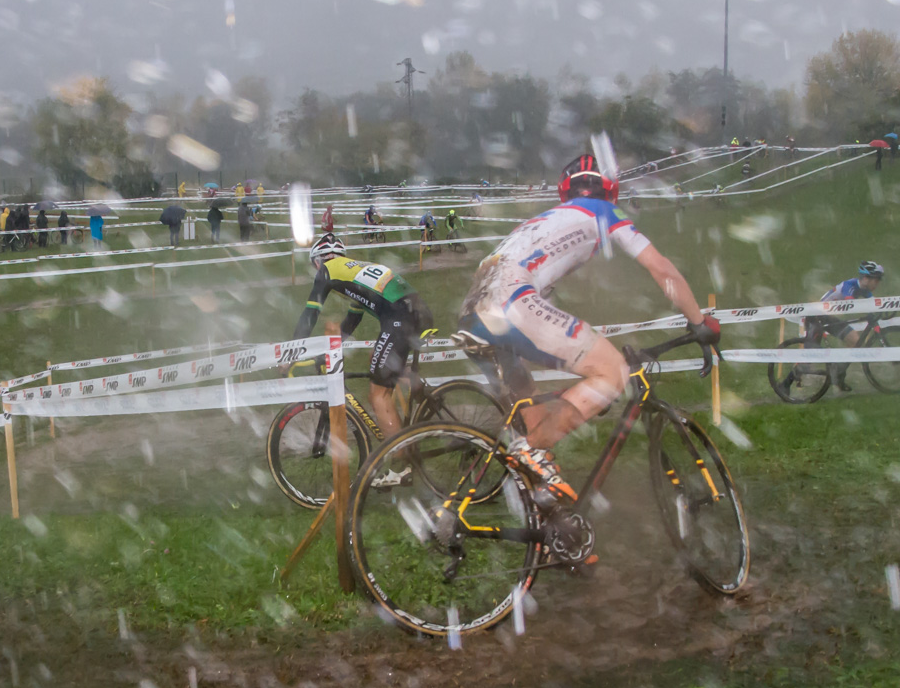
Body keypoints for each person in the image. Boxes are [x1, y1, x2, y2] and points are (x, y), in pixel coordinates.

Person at [456, 152, 718, 504]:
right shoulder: (603, 210)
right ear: (610, 191)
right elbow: (661, 269)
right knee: (612, 372)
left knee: (536, 421)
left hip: (473, 311)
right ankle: (528, 452)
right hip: (510, 303)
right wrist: (699, 322)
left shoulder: (541, 221)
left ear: (566, 192)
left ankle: (548, 522)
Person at [292, 234, 434, 441]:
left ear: (317, 261)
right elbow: (352, 320)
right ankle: (427, 398)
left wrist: (292, 352)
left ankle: (401, 458)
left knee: (378, 395)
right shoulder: (355, 272)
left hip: (400, 318)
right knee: (375, 357)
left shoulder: (327, 270)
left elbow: (310, 314)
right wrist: (330, 350)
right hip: (417, 312)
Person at [808, 261, 886, 392]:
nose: (877, 283)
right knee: (808, 355)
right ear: (866, 278)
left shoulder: (864, 289)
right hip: (818, 316)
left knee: (855, 342)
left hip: (829, 316)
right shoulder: (849, 285)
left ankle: (839, 373)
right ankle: (786, 383)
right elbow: (850, 303)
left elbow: (873, 302)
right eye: (876, 280)